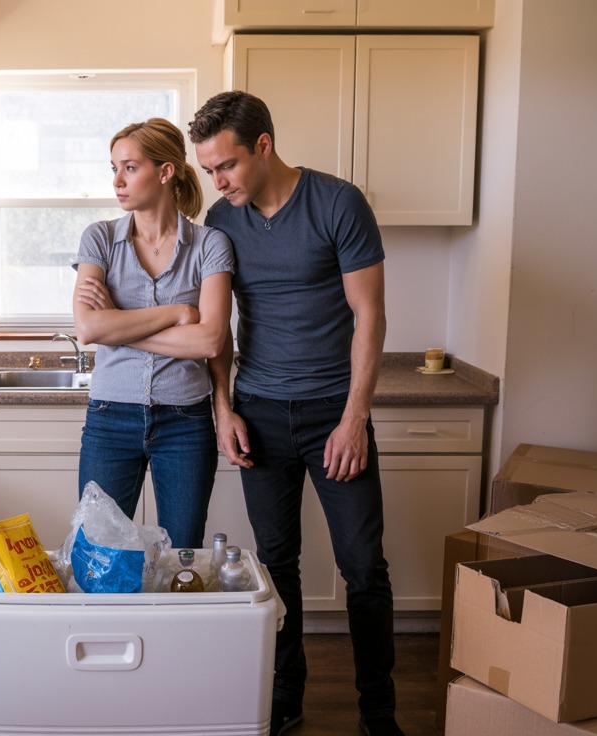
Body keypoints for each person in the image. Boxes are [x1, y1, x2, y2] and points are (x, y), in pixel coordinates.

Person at [189, 91, 399, 736]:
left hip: (335, 413)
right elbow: (217, 332)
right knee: (276, 565)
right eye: (207, 172)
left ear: (264, 145)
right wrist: (224, 409)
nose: (218, 183)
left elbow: (370, 316)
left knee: (363, 566)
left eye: (225, 166)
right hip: (260, 414)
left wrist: (354, 418)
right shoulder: (224, 224)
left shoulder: (338, 203)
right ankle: (286, 695)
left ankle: (378, 711)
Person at [72, 117, 234, 550]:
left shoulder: (210, 244)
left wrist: (118, 327)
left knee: (182, 555)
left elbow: (209, 340)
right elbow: (88, 327)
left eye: (130, 167)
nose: (117, 182)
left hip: (185, 420)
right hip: (110, 417)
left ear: (165, 172)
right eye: (113, 169)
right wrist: (178, 312)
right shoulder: (100, 239)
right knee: (98, 554)